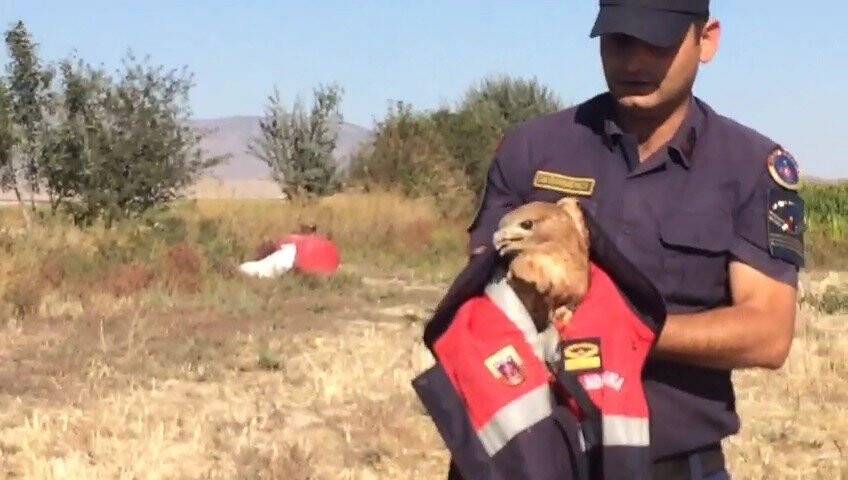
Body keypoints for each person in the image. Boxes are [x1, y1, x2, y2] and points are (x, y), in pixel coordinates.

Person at [462, 0, 804, 478]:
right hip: (524, 455)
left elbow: (767, 333)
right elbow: (478, 287)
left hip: (669, 463)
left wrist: (625, 329)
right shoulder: (534, 148)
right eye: (619, 41)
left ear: (706, 40)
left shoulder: (748, 168)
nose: (634, 62)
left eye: (657, 43)